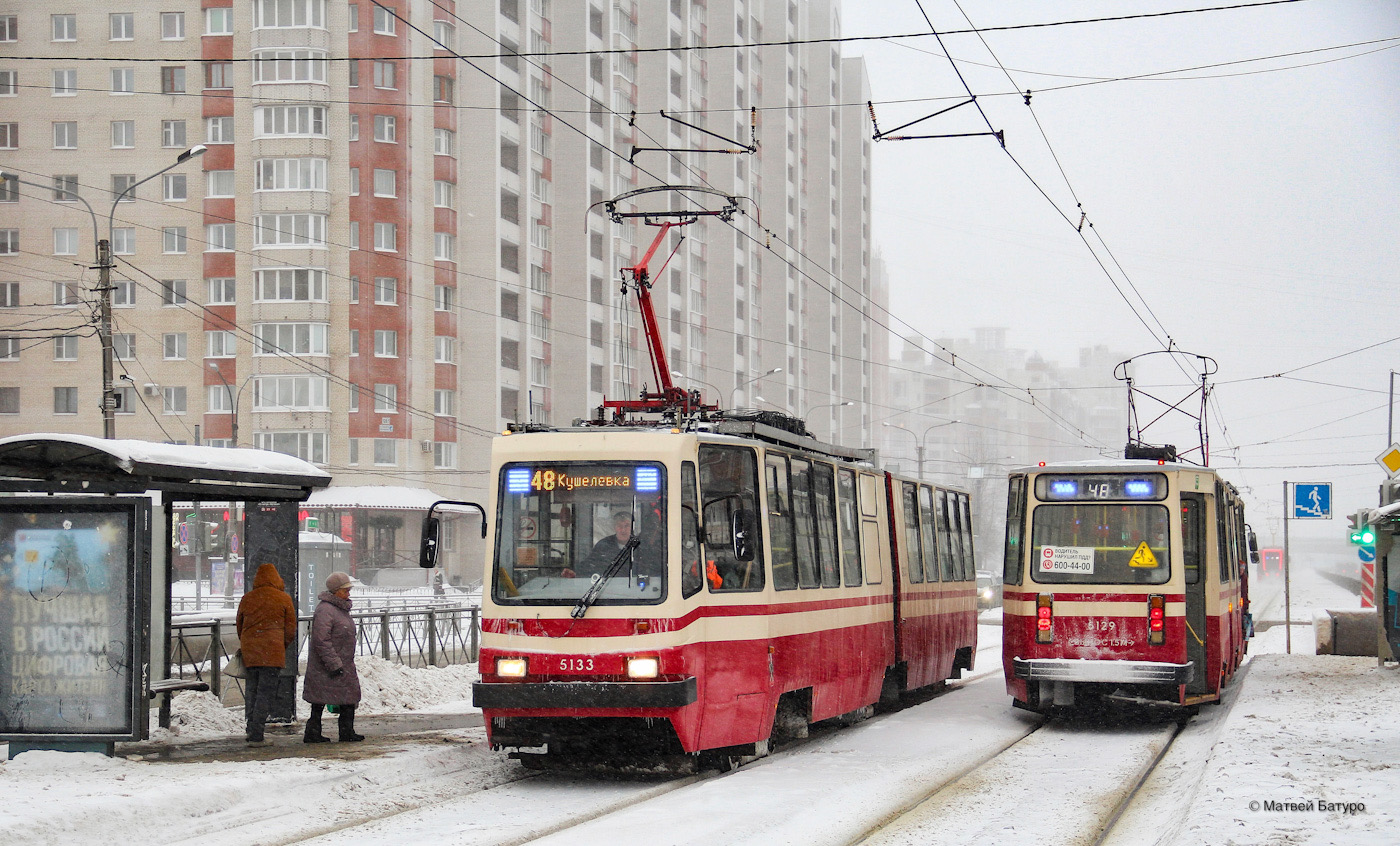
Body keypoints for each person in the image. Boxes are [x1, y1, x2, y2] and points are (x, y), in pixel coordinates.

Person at [236, 562, 297, 747]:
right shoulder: (283, 598)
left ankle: (251, 728)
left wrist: (249, 644)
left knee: (253, 690)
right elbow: (290, 630)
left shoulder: (247, 598)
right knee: (265, 693)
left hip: (251, 653)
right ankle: (257, 735)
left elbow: (240, 625)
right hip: (272, 653)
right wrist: (279, 645)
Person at [302, 571, 364, 743]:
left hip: (342, 662)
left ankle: (346, 731)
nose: (348, 593)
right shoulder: (326, 610)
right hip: (329, 665)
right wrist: (334, 663)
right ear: (335, 591)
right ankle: (314, 733)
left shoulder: (339, 609)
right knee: (320, 700)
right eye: (345, 590)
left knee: (346, 698)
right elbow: (321, 639)